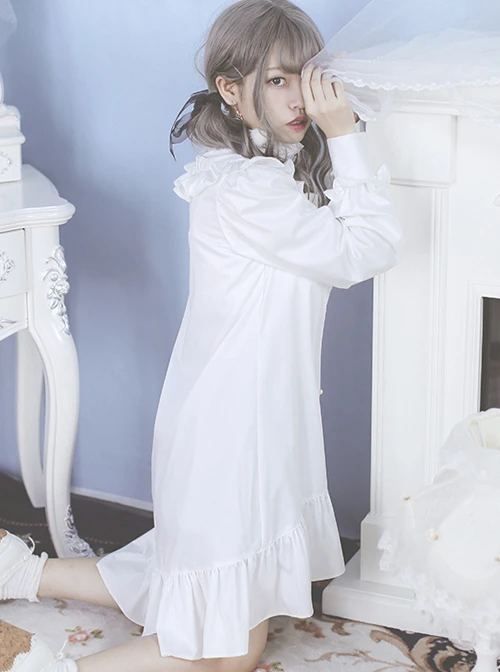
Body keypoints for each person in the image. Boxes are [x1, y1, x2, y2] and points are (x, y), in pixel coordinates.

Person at [0, 1, 403, 670]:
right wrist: (346, 135)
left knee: (190, 578)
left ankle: (19, 573)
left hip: (239, 421)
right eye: (277, 79)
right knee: (226, 657)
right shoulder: (248, 190)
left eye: (305, 76)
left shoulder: (253, 170)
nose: (298, 97)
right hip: (233, 438)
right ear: (230, 89)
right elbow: (368, 249)